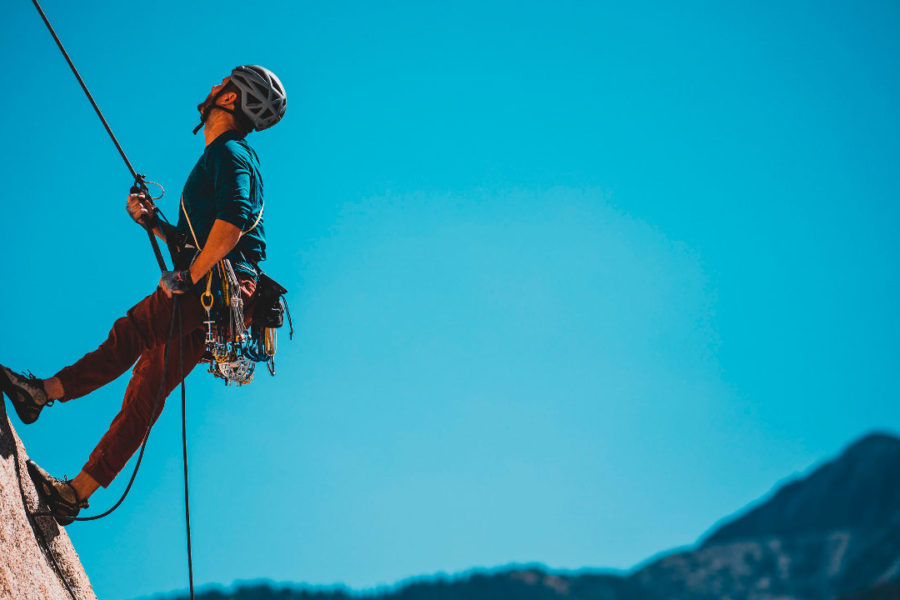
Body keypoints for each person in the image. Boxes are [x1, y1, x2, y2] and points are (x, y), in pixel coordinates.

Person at [0, 65, 287, 525]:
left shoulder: (230, 153)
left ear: (230, 100)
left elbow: (232, 225)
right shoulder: (225, 155)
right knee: (146, 390)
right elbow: (210, 234)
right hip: (225, 302)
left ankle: (39, 394)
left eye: (221, 84)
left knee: (131, 334)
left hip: (215, 287)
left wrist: (189, 277)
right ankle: (76, 493)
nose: (212, 86)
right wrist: (153, 223)